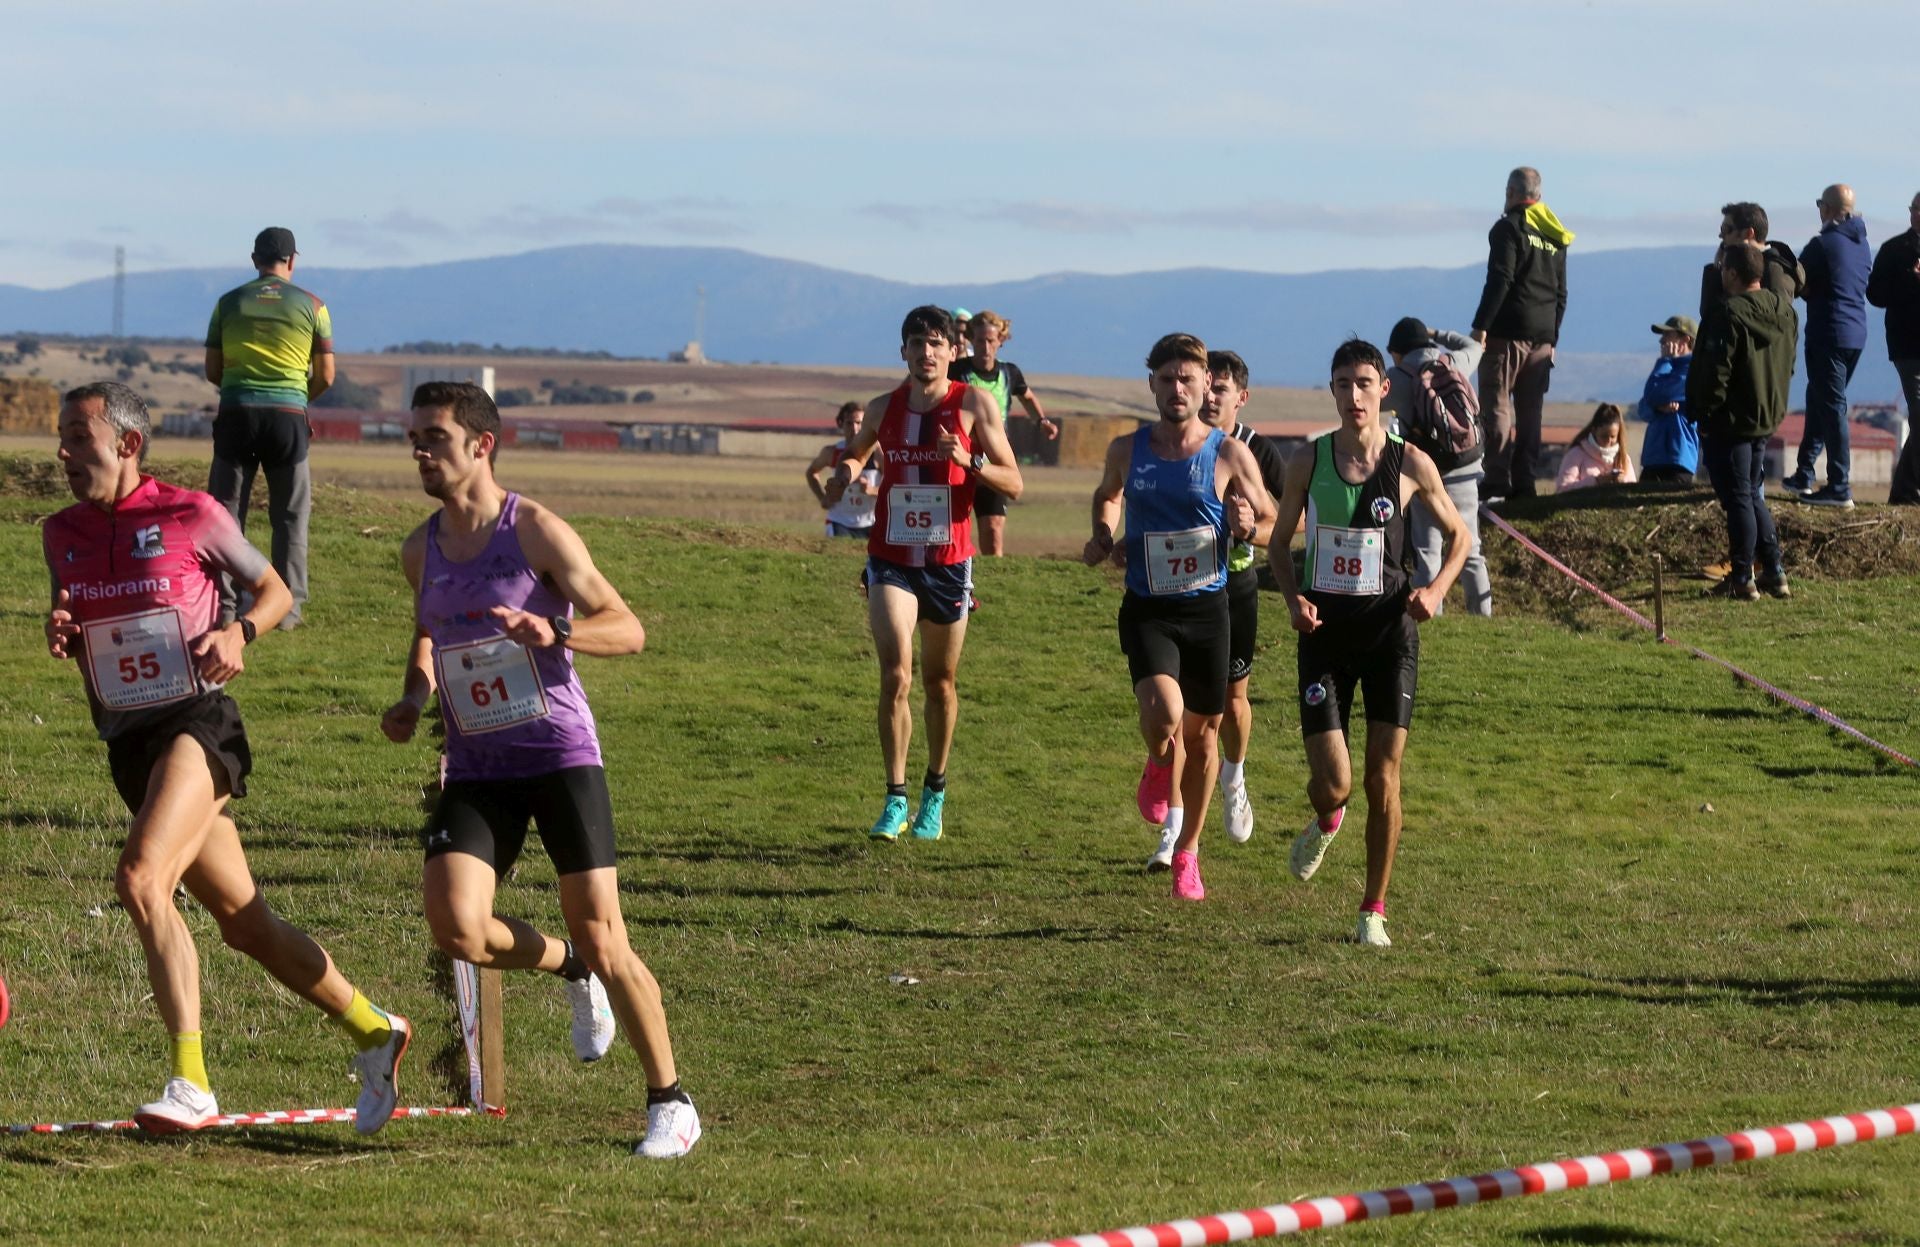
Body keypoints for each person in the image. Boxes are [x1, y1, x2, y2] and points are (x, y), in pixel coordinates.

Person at [43, 381, 406, 1134]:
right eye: (62, 437)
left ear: (128, 444)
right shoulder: (61, 532)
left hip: (198, 722)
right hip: (129, 743)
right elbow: (81, 618)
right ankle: (376, 1028)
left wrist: (240, 634)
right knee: (247, 924)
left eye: (80, 437)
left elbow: (274, 590)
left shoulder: (194, 514)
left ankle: (191, 1081)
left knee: (143, 879)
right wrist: (67, 631)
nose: (65, 452)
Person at [379, 381, 700, 1158]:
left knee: (606, 928)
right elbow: (432, 632)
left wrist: (551, 628)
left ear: (482, 444)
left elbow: (628, 627)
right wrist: (413, 697)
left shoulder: (537, 532)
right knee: (458, 927)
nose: (419, 451)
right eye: (413, 437)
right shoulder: (419, 547)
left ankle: (671, 1100)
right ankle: (569, 968)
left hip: (557, 754)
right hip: (477, 764)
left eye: (435, 437)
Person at [1268, 340, 1471, 946]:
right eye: (1341, 385)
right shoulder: (1308, 460)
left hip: (1389, 634)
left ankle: (1372, 910)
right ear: (1331, 393)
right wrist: (1293, 599)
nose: (1353, 396)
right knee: (1335, 783)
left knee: (1384, 778)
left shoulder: (1412, 465)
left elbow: (1460, 537)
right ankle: (1328, 817)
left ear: (1384, 389)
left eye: (1364, 383)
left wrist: (1435, 590)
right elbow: (1279, 546)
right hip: (1325, 635)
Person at [1085, 333, 1273, 901]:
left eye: (1187, 379)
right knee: (1166, 714)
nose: (1177, 389)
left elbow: (1270, 522)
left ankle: (1188, 852)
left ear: (1204, 385)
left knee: (1205, 733)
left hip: (1208, 609)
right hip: (1148, 607)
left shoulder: (1229, 454)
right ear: (1152, 384)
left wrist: (1245, 524)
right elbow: (1107, 494)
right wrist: (1103, 530)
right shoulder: (1128, 448)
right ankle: (1156, 761)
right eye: (1166, 379)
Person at [832, 306, 1024, 843]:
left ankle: (933, 794)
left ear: (953, 352)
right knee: (896, 674)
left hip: (948, 563)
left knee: (940, 684)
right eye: (917, 343)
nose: (927, 353)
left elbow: (1014, 483)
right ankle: (895, 799)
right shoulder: (882, 407)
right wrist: (843, 473)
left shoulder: (973, 405)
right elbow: (857, 452)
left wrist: (969, 461)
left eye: (937, 344)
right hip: (891, 557)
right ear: (903, 352)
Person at [204, 227, 334, 630]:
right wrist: (295, 399)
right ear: (293, 260)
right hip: (288, 420)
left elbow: (213, 370)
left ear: (254, 260)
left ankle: (222, 607)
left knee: (224, 517)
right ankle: (287, 611)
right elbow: (326, 376)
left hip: (237, 414)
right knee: (291, 516)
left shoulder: (227, 304)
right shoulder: (315, 305)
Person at [1199, 349, 1289, 843]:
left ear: (1242, 398)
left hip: (1235, 585)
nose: (1210, 397)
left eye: (1221, 389)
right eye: (1205, 386)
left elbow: (1285, 524)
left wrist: (1251, 529)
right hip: (1182, 589)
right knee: (1188, 710)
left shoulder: (1259, 451)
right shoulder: (1178, 445)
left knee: (1233, 704)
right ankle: (1176, 830)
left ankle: (1234, 778)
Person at [1688, 243, 1796, 601]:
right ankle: (1774, 571)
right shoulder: (1784, 310)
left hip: (1730, 420)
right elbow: (1789, 363)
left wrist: (1704, 413)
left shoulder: (1727, 314)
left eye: (1722, 269)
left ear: (1732, 273)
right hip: (1766, 414)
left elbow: (1716, 371)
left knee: (1738, 499)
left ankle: (1742, 577)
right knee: (1751, 493)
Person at [1470, 167, 1574, 500]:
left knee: (1497, 405)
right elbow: (1562, 293)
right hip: (1543, 335)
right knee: (1531, 411)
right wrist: (1552, 337)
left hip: (1507, 333)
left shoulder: (1507, 228)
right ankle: (1525, 481)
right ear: (1538, 196)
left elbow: (1500, 278)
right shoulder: (1555, 235)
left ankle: (1497, 478)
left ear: (1512, 192)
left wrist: (1481, 325)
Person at [1383, 318, 1492, 616]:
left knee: (1428, 551)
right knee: (1470, 549)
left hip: (1427, 474)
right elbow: (1474, 345)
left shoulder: (1397, 377)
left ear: (1396, 351)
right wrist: (1437, 333)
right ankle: (1482, 617)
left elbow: (1369, 399)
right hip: (1466, 468)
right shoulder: (1454, 363)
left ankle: (1430, 615)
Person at [950, 310, 1060, 556]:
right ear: (971, 340)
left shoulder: (1009, 373)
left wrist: (1041, 420)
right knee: (953, 528)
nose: (985, 346)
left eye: (991, 341)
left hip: (995, 463)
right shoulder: (956, 371)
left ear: (1000, 341)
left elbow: (1027, 396)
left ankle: (995, 578)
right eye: (979, 340)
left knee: (993, 528)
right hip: (958, 460)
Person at [1788, 184, 1871, 507]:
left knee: (1833, 406)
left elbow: (1798, 281)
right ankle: (1804, 473)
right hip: (1856, 334)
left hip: (1829, 333)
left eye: (1821, 205)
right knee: (1820, 399)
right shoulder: (1862, 245)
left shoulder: (1822, 245)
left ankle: (1839, 484)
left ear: (1829, 209)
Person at [1867, 190, 1920, 504]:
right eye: (1915, 209)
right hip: (1908, 346)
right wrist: (1908, 281)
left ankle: (1903, 491)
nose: (1918, 215)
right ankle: (1912, 491)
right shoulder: (1893, 250)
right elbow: (1875, 294)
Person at [1699, 202, 1804, 317]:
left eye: (1726, 229)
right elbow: (1711, 318)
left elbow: (1777, 323)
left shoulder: (1774, 270)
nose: (1721, 235)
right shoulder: (1745, 265)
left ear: (1749, 233)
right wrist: (1717, 268)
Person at [1635, 316, 1699, 485]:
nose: (1661, 340)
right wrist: (1657, 408)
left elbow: (1652, 395)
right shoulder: (1668, 368)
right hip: (1653, 458)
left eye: (1668, 335)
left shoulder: (1693, 372)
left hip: (1678, 458)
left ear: (1685, 339)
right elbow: (1643, 407)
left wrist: (1664, 361)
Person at [805, 401, 880, 537]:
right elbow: (811, 472)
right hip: (838, 521)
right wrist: (823, 498)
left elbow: (896, 486)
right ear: (840, 424)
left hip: (871, 522)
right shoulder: (832, 452)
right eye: (849, 423)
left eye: (859, 423)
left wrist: (872, 490)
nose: (855, 429)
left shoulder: (877, 453)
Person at [1555, 404, 1638, 492]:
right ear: (1594, 431)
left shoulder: (1624, 458)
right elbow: (1562, 489)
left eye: (1613, 437)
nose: (1608, 441)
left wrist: (1623, 482)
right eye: (1604, 436)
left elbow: (1634, 490)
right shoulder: (1575, 454)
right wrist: (1596, 481)